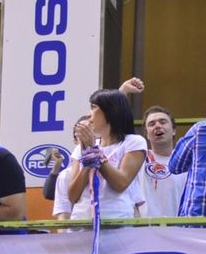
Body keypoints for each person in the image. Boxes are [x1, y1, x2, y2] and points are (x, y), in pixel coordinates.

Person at [68, 90, 147, 219]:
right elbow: (72, 196)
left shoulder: (134, 142)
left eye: (93, 107)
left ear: (111, 111)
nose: (88, 114)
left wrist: (95, 152)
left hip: (117, 221)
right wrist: (88, 159)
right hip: (81, 221)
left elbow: (120, 183)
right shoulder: (81, 148)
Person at [139, 105, 187, 217]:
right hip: (147, 226)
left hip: (179, 225)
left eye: (163, 122)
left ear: (174, 130)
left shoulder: (186, 161)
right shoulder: (140, 158)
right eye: (152, 124)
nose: (157, 126)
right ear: (147, 135)